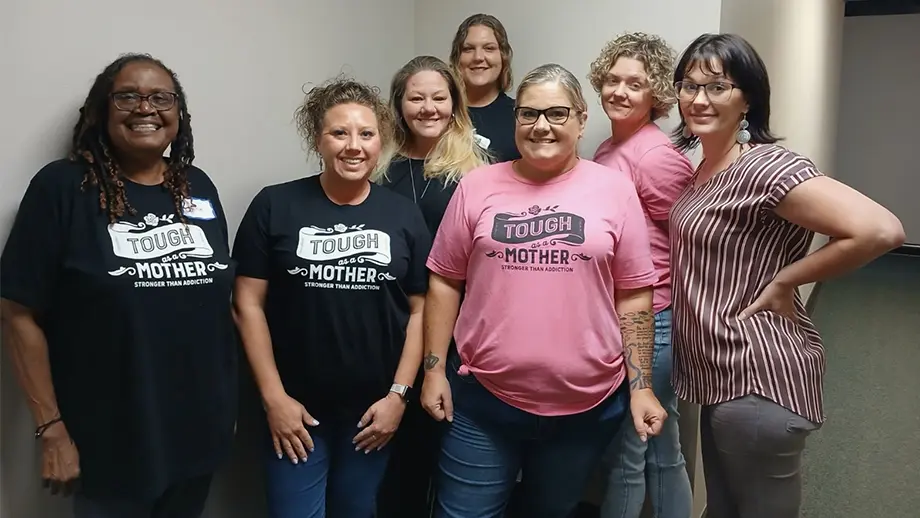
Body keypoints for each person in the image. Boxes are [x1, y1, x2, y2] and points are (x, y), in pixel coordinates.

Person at [668, 33, 905, 518]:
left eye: (717, 87)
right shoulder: (706, 168)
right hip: (720, 374)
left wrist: (787, 279)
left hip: (756, 376)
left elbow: (880, 230)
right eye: (688, 86)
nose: (698, 99)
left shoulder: (765, 167)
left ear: (748, 98)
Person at [420, 63, 668, 518]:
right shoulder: (477, 186)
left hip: (585, 408)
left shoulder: (614, 190)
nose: (541, 126)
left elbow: (634, 293)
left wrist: (641, 387)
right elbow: (444, 278)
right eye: (528, 114)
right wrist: (434, 369)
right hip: (483, 402)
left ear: (580, 118)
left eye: (556, 113)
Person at [0, 54, 238, 518]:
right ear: (101, 110)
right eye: (127, 96)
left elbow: (214, 307)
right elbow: (18, 313)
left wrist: (224, 409)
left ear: (179, 113)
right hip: (108, 442)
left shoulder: (198, 187)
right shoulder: (62, 188)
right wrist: (50, 428)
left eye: (161, 97)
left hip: (195, 438)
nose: (145, 108)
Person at [231, 76, 431, 518]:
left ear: (381, 141)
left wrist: (399, 396)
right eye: (339, 133)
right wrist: (274, 399)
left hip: (372, 415)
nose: (353, 146)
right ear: (317, 139)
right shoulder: (274, 205)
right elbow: (247, 304)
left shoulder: (402, 213)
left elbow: (420, 310)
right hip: (297, 412)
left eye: (366, 133)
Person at [587, 32, 694, 518]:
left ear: (656, 95)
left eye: (635, 83)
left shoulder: (654, 156)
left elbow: (691, 242)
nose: (620, 92)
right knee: (661, 444)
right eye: (612, 80)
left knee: (629, 451)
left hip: (654, 319)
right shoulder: (612, 147)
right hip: (620, 315)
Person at [376, 55, 488, 518]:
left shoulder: (475, 172)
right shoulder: (376, 165)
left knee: (440, 453)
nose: (428, 107)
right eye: (416, 97)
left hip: (452, 335)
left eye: (439, 97)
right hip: (386, 328)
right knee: (390, 461)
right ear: (399, 104)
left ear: (454, 103)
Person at [449, 13, 521, 163]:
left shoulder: (522, 116)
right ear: (457, 59)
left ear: (503, 57)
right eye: (468, 49)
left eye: (489, 48)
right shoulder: (440, 114)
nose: (478, 57)